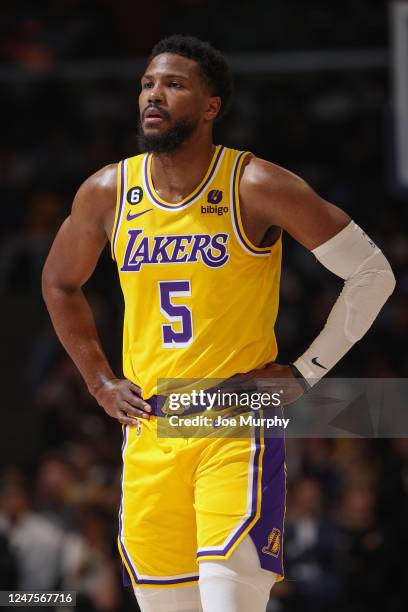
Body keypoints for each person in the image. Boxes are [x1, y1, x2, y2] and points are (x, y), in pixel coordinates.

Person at [42, 35, 395, 612]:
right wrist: (99, 379)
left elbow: (373, 273)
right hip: (151, 432)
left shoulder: (255, 184)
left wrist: (305, 373)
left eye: (174, 85)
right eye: (147, 84)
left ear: (211, 107)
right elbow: (59, 282)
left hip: (234, 423)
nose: (154, 95)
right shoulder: (107, 191)